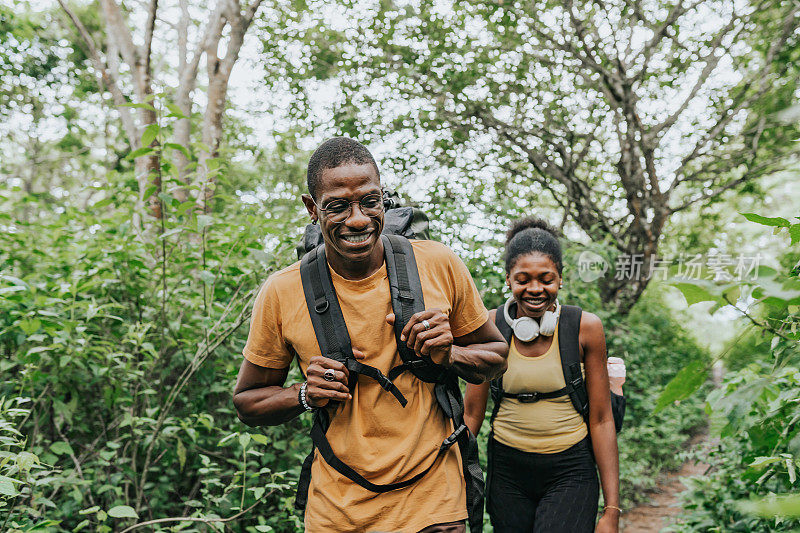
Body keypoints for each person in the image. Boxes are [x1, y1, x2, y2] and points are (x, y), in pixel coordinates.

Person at [232, 137, 508, 533]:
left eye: (369, 201)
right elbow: (247, 402)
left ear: (383, 199)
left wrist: (451, 355)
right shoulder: (282, 291)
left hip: (435, 501)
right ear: (312, 209)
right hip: (337, 511)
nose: (358, 219)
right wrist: (305, 394)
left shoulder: (438, 263)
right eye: (337, 206)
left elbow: (496, 356)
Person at [464, 217, 620, 533]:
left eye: (546, 279)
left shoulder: (585, 328)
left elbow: (602, 419)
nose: (535, 289)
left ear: (560, 279)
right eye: (523, 279)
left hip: (571, 470)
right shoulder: (488, 325)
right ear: (508, 279)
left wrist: (612, 510)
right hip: (507, 472)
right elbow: (471, 414)